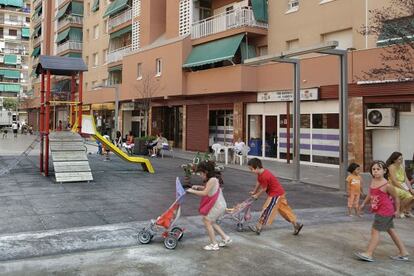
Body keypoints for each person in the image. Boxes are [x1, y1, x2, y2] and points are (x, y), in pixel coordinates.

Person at [354, 161, 409, 262]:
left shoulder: (387, 185)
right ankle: (403, 252)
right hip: (380, 210)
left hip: (385, 211)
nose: (375, 171)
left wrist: (397, 210)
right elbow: (370, 194)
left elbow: (396, 197)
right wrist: (363, 204)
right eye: (373, 169)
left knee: (375, 231)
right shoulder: (373, 181)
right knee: (391, 231)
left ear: (384, 171)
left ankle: (369, 254)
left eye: (378, 169)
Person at [247, 158, 303, 235]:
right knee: (285, 211)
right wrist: (254, 191)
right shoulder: (260, 173)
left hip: (275, 194)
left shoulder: (265, 175)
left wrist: (257, 195)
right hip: (280, 193)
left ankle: (258, 227)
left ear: (256, 167)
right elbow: (259, 181)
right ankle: (296, 225)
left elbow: (264, 188)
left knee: (266, 208)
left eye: (251, 169)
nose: (251, 171)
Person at [187, 161, 232, 251]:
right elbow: (207, 189)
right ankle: (225, 238)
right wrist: (198, 187)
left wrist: (192, 191)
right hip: (219, 204)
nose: (200, 175)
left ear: (206, 172)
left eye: (201, 173)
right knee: (211, 221)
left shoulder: (212, 180)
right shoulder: (212, 180)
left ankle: (214, 244)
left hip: (218, 205)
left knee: (207, 221)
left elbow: (205, 193)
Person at [386, 152, 414, 218]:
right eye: (399, 159)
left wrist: (411, 189)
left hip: (402, 185)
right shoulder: (391, 167)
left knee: (412, 194)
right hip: (393, 186)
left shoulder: (401, 166)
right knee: (408, 196)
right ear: (394, 160)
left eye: (402, 159)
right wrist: (405, 189)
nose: (401, 160)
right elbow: (394, 181)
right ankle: (401, 211)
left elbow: (406, 179)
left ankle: (406, 210)